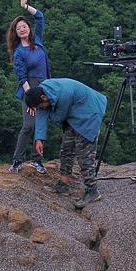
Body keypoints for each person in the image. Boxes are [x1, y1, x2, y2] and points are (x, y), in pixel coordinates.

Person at [25, 78, 107, 209]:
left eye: (40, 105)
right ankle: (63, 185)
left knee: (84, 154)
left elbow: (59, 117)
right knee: (66, 150)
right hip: (74, 114)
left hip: (89, 112)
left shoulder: (64, 95)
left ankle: (92, 190)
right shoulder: (43, 92)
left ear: (43, 97)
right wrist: (39, 139)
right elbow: (41, 113)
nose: (41, 108)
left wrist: (47, 113)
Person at [7, 0, 50, 174]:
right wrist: (30, 98)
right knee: (29, 125)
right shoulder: (19, 52)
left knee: (41, 125)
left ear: (28, 28)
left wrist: (25, 7)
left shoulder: (38, 41)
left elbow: (40, 17)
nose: (22, 29)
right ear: (16, 33)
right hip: (29, 88)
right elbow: (22, 77)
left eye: (24, 26)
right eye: (19, 28)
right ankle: (17, 160)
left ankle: (37, 160)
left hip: (45, 86)